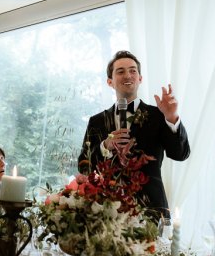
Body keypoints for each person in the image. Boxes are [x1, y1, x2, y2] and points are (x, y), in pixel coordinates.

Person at [78, 50, 190, 216]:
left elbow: (180, 154)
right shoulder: (97, 121)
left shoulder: (159, 115)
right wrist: (105, 146)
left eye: (132, 70)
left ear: (140, 78)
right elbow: (84, 166)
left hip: (150, 209)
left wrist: (172, 117)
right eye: (120, 71)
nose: (127, 75)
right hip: (106, 211)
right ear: (110, 81)